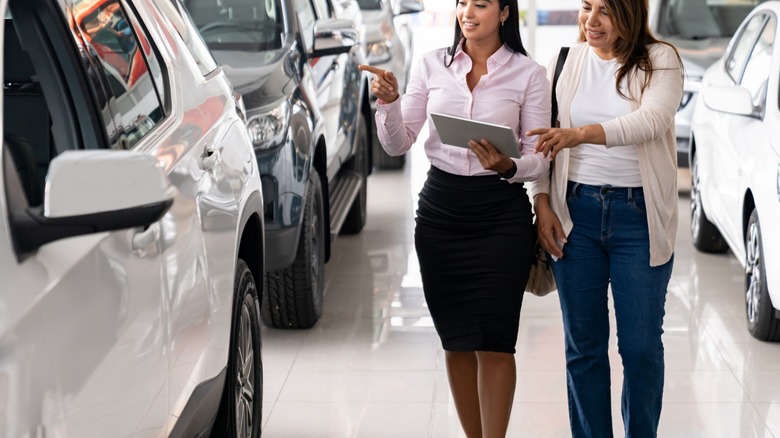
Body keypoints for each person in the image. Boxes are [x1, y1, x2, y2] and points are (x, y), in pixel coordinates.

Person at [359, 0, 550, 436]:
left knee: (496, 343)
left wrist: (508, 166)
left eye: (480, 4)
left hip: (501, 215)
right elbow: (398, 143)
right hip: (441, 215)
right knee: (458, 340)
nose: (467, 11)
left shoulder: (529, 74)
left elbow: (540, 159)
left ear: (504, 13)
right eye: (462, 2)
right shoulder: (431, 65)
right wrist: (388, 105)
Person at [526, 0, 684, 436]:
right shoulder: (567, 61)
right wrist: (542, 201)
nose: (590, 21)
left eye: (605, 11)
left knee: (640, 349)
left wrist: (580, 135)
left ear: (629, 14)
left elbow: (650, 121)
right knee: (584, 350)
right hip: (575, 214)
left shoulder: (660, 61)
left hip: (639, 219)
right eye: (586, 7)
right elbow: (541, 143)